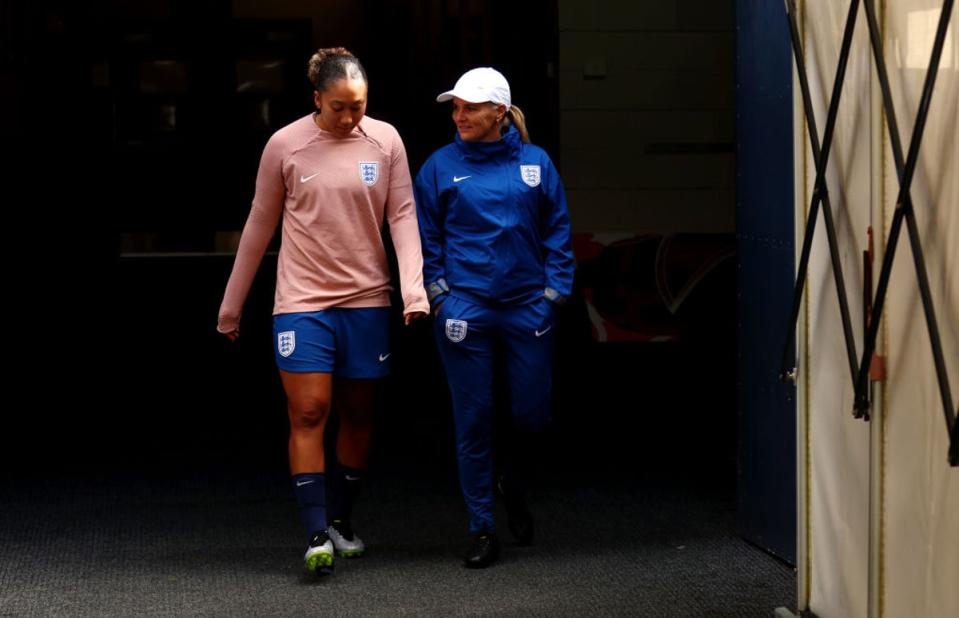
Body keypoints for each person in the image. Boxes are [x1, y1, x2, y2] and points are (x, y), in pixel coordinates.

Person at [217, 47, 429, 574]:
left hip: (367, 300)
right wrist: (231, 304)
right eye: (339, 107)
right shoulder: (285, 145)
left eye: (358, 105)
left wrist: (414, 291)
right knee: (310, 411)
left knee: (358, 414)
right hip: (302, 302)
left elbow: (402, 216)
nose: (350, 117)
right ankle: (315, 533)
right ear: (317, 99)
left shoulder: (386, 141)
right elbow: (259, 225)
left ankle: (341, 519)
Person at [413, 67, 575, 568]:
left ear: (499, 113)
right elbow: (426, 237)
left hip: (529, 308)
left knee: (530, 417)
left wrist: (554, 295)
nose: (458, 116)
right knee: (474, 422)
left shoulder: (536, 163)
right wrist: (440, 297)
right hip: (466, 310)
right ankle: (482, 528)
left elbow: (558, 231)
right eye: (455, 108)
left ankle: (515, 485)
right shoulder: (439, 167)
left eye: (469, 108)